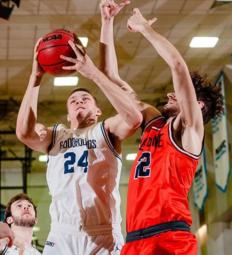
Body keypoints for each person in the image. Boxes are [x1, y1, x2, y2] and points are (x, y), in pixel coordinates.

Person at [100, 2, 224, 254]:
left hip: (170, 237)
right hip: (134, 239)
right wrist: (107, 22)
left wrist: (145, 29)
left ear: (196, 104)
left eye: (177, 93)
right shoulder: (154, 123)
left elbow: (178, 67)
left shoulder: (189, 132)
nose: (170, 92)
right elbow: (111, 79)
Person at [16, 37, 142, 254]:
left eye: (85, 99)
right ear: (68, 114)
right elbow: (23, 133)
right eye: (73, 101)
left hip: (103, 235)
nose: (79, 101)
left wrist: (93, 73)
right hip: (62, 233)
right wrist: (35, 78)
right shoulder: (55, 135)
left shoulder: (107, 129)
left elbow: (134, 118)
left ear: (98, 111)